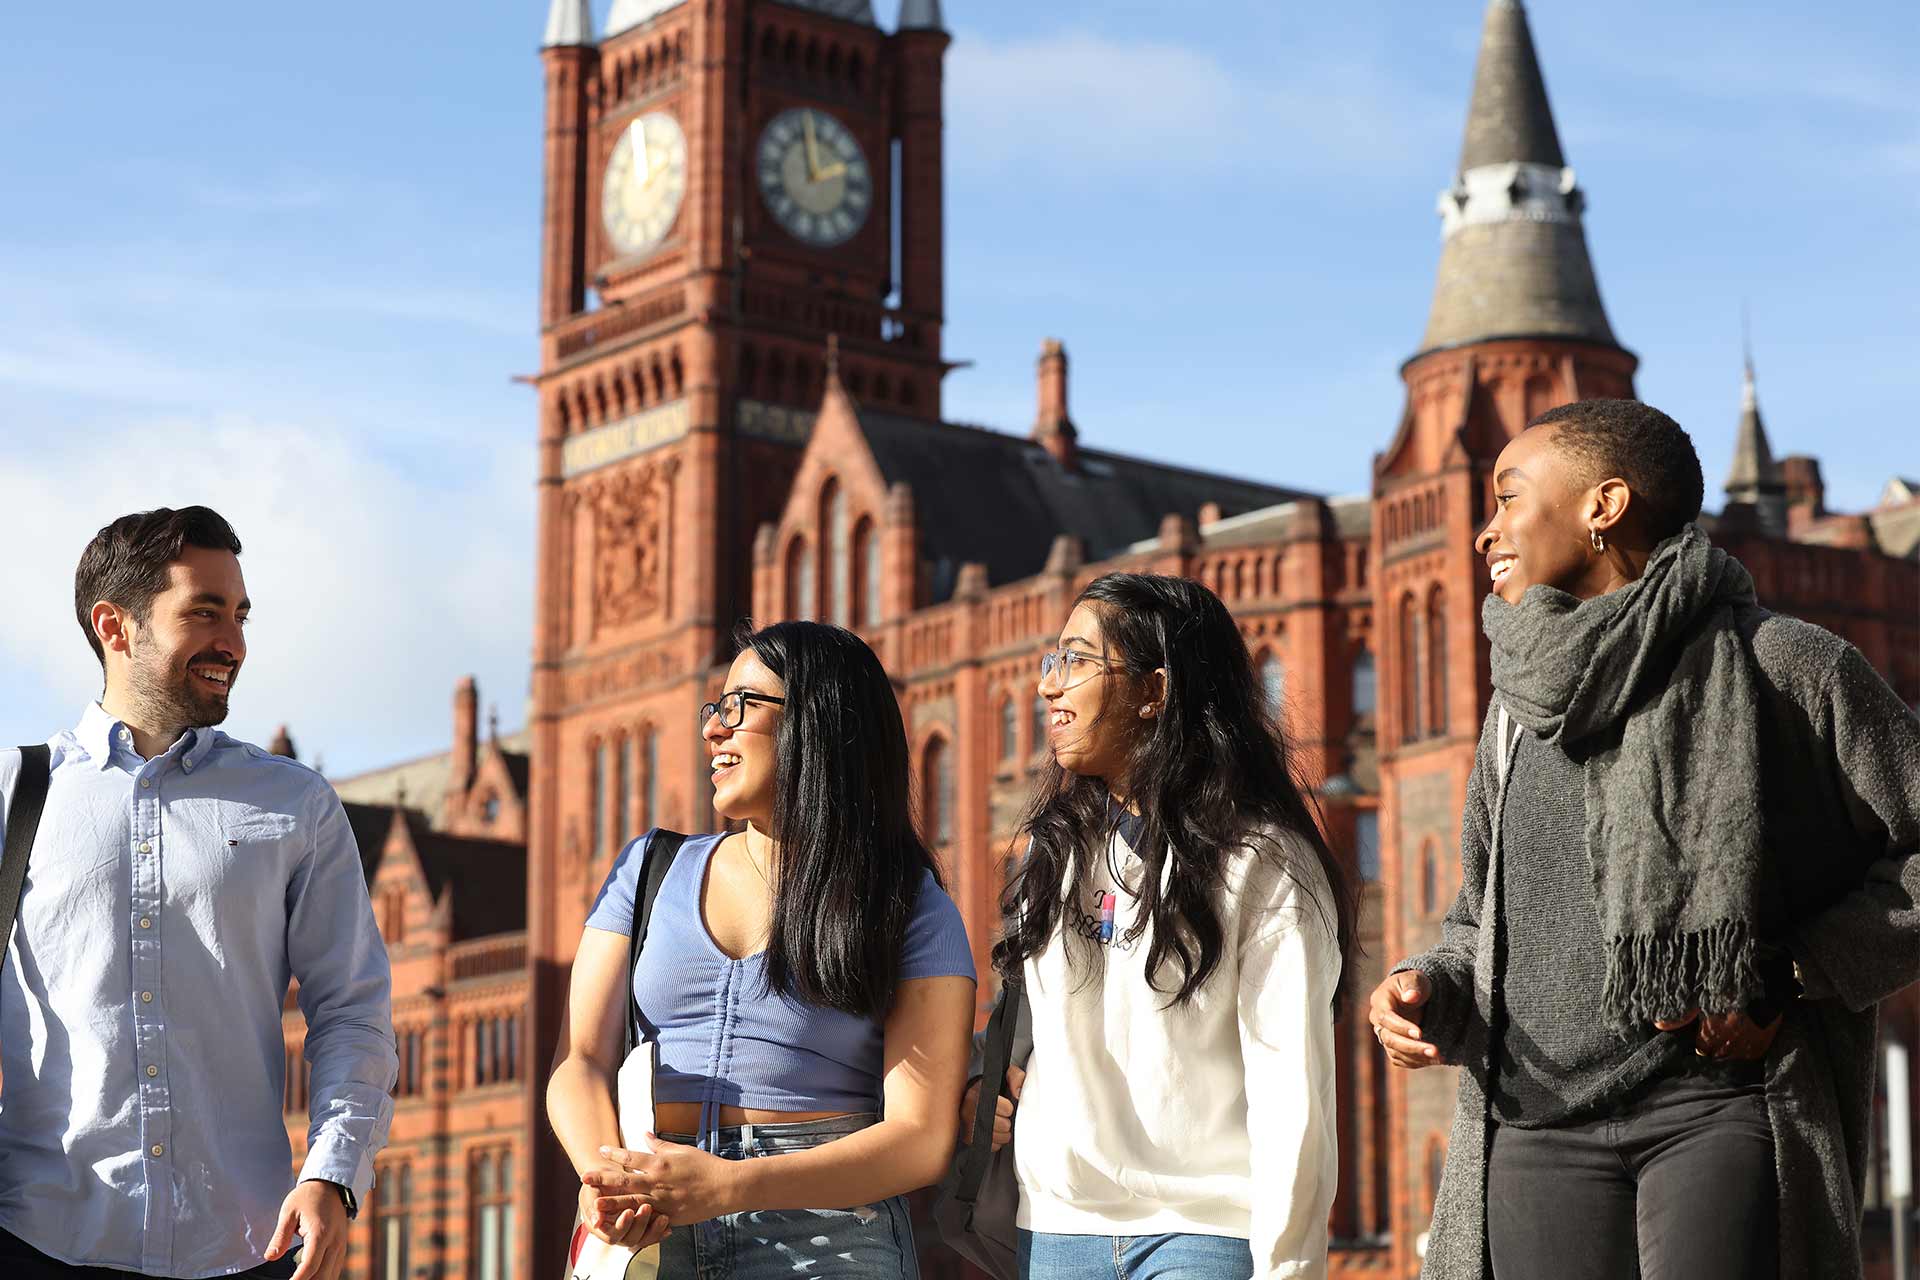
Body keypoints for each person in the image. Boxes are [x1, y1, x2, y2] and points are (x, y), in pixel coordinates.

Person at [1371, 399, 1920, 1280]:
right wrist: (1424, 985)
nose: (1486, 532)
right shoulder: (1518, 711)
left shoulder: (1785, 668)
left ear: (1605, 505)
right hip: (1533, 1127)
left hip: (1717, 1114)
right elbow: (1480, 921)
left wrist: (1788, 971)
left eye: (1509, 498)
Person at [0, 507, 398, 1280]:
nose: (234, 643)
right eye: (204, 612)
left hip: (244, 1249)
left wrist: (333, 1173)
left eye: (241, 615)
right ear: (115, 626)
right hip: (38, 1240)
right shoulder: (15, 798)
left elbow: (353, 1008)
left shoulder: (294, 804)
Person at [546, 620, 977, 1278]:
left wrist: (728, 1187)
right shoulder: (648, 870)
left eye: (740, 706)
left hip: (827, 1238)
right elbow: (579, 1059)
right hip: (646, 1223)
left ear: (820, 722)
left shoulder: (910, 905)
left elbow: (921, 1140)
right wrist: (608, 1173)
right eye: (714, 708)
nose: (712, 729)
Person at [963, 572, 1353, 1280]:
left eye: (1077, 662)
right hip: (1054, 1232)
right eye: (1054, 662)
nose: (1049, 686)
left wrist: (1289, 1267)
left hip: (1206, 1232)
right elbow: (1022, 1038)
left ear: (1155, 692)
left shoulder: (1261, 864)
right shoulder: (1054, 856)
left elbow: (1290, 1086)